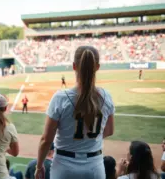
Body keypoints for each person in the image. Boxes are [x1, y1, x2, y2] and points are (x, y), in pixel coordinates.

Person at [35, 46, 115, 179]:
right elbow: (109, 130)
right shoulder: (106, 96)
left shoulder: (60, 98)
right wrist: (88, 139)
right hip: (95, 166)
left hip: (64, 167)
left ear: (74, 66)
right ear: (98, 67)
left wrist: (39, 166)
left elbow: (46, 140)